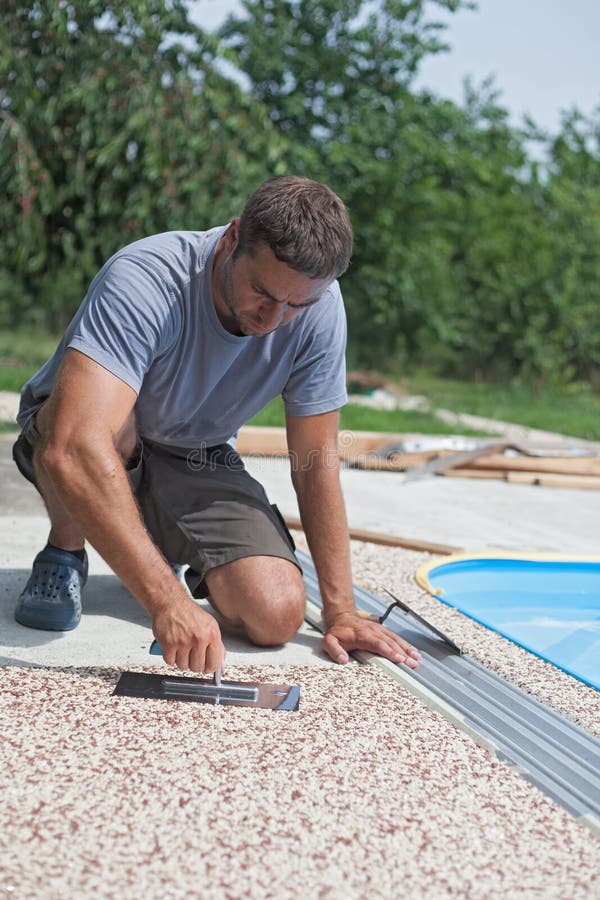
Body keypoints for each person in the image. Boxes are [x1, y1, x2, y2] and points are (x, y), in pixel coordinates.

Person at [12, 175, 421, 675]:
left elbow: (315, 464)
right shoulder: (148, 277)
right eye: (263, 293)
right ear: (231, 240)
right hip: (88, 435)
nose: (274, 320)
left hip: (197, 454)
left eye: (298, 305)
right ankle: (65, 551)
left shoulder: (322, 309)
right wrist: (166, 601)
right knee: (104, 428)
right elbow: (73, 446)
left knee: (276, 614)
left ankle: (148, 541)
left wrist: (340, 610)